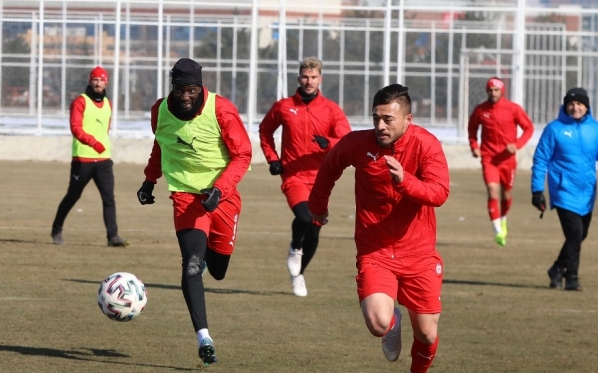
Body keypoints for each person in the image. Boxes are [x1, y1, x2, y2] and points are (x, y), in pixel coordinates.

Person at [308, 84, 450, 372]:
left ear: (408, 120)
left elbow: (439, 192)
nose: (380, 126)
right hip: (376, 251)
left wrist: (405, 181)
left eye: (388, 119)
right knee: (378, 323)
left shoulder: (426, 144)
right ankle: (392, 322)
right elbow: (330, 166)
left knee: (426, 334)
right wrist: (318, 206)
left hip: (419, 253)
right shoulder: (357, 143)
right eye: (376, 118)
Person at [136, 58, 252, 365]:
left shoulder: (221, 110)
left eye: (191, 90)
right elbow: (161, 144)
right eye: (180, 90)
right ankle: (204, 338)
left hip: (222, 198)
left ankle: (207, 259)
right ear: (172, 87)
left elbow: (243, 155)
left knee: (218, 270)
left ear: (200, 88)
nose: (185, 96)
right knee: (191, 265)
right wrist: (150, 180)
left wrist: (220, 189)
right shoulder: (160, 110)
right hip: (185, 198)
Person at [259, 56, 351, 297]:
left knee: (315, 229)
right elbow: (265, 129)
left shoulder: (331, 109)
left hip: (322, 178)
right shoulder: (284, 106)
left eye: (313, 77)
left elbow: (345, 139)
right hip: (294, 175)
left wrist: (327, 142)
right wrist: (272, 158)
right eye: (305, 77)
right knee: (304, 215)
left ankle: (299, 275)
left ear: (320, 79)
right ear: (298, 78)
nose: (309, 81)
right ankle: (295, 246)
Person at [531, 87, 598, 291]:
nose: (575, 107)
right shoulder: (554, 129)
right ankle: (572, 278)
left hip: (587, 192)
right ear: (565, 105)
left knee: (580, 234)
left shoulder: (596, 129)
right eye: (571, 103)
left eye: (579, 104)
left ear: (587, 106)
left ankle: (557, 268)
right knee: (575, 233)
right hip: (563, 190)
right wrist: (537, 190)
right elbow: (541, 159)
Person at [51, 66, 128, 247]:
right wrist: (93, 142)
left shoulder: (108, 104)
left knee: (109, 198)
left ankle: (113, 237)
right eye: (95, 79)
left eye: (101, 80)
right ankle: (56, 229)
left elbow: (105, 128)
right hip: (82, 159)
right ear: (90, 81)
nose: (98, 83)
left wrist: (102, 146)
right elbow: (75, 127)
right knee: (73, 196)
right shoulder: (80, 102)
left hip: (104, 160)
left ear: (106, 82)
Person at [468, 77, 534, 246]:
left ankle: (503, 218)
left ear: (502, 91)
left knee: (506, 193)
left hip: (507, 159)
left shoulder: (513, 109)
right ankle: (498, 231)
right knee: (492, 191)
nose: (493, 93)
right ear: (487, 91)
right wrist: (474, 146)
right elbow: (472, 129)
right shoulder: (481, 110)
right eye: (490, 90)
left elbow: (529, 128)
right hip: (489, 158)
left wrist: (517, 145)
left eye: (496, 90)